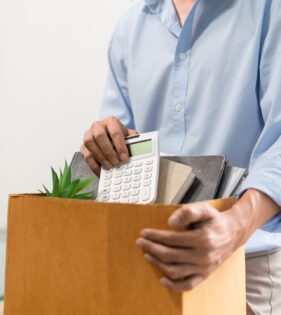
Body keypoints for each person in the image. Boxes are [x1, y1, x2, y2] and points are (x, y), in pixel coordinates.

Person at [80, 0, 281, 313]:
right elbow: (120, 143)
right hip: (150, 261)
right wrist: (104, 141)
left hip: (247, 262)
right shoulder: (130, 28)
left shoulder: (269, 9)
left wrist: (234, 228)